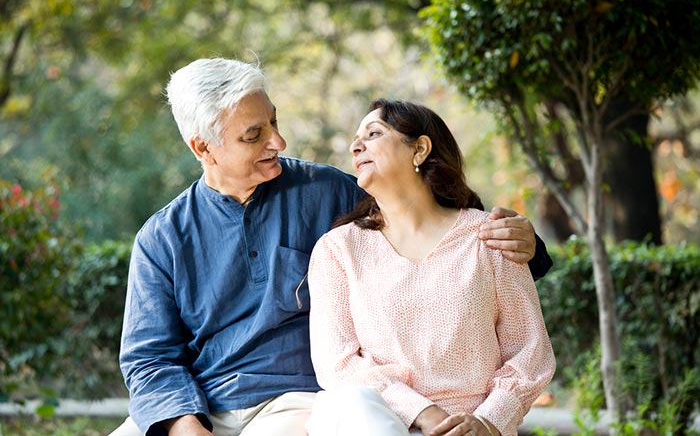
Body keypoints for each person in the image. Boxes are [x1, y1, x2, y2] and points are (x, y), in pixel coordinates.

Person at [110, 58, 552, 436]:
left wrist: (530, 248)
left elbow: (433, 225)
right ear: (203, 147)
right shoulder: (162, 237)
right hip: (198, 406)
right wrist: (184, 425)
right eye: (254, 135)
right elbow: (148, 357)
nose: (278, 143)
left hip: (297, 401)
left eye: (275, 123)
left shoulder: (327, 192)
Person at [306, 99, 556, 436]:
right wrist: (421, 412)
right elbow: (337, 364)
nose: (356, 146)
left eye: (373, 133)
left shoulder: (488, 236)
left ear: (420, 149)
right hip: (379, 421)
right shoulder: (339, 249)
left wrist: (487, 421)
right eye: (355, 139)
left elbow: (531, 351)